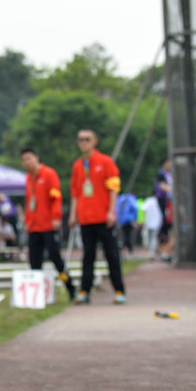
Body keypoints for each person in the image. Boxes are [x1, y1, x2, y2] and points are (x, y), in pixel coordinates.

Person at [69, 130, 127, 304]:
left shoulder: (105, 162)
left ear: (95, 141)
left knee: (112, 255)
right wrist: (73, 215)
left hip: (103, 218)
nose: (84, 142)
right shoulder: (78, 166)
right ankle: (85, 291)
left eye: (87, 139)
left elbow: (114, 188)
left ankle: (119, 291)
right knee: (88, 256)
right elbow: (75, 193)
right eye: (80, 140)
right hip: (85, 218)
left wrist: (111, 211)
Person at [20, 147, 76, 300]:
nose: (27, 162)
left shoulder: (49, 174)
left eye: (29, 158)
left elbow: (56, 198)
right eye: (24, 160)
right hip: (34, 226)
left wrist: (56, 217)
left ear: (36, 158)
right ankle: (36, 296)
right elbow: (28, 203)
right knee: (34, 260)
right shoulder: (28, 179)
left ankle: (70, 287)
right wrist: (27, 222)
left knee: (55, 258)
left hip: (49, 226)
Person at [154, 158, 174, 261]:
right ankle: (162, 246)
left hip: (170, 201)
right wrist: (172, 190)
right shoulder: (161, 174)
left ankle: (166, 247)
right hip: (164, 200)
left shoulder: (169, 174)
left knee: (169, 223)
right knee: (165, 221)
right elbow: (163, 186)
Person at [115, 190, 139, 257]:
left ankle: (121, 246)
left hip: (121, 220)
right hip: (129, 220)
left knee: (123, 235)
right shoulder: (131, 198)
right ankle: (128, 249)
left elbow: (116, 208)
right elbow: (135, 208)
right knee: (128, 236)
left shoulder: (120, 198)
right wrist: (135, 218)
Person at [141, 194, 163, 260]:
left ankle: (151, 252)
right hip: (156, 222)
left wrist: (144, 220)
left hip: (149, 222)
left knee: (151, 238)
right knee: (154, 237)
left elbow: (144, 210)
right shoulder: (157, 201)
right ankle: (152, 252)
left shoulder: (148, 201)